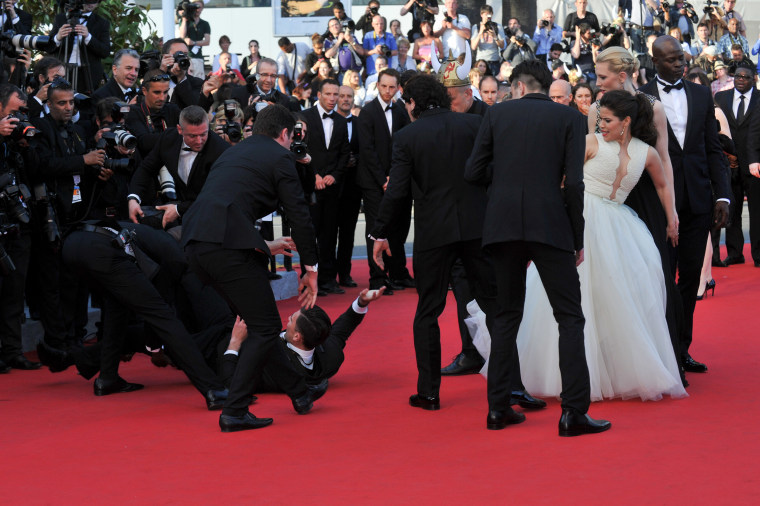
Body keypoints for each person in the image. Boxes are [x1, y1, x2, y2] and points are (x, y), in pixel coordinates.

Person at [465, 60, 610, 436]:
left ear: (517, 86)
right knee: (569, 317)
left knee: (506, 317)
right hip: (551, 225)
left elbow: (473, 172)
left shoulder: (496, 114)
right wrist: (577, 236)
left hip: (503, 226)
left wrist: (508, 182)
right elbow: (575, 185)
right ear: (546, 86)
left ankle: (497, 409)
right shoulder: (569, 119)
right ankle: (573, 413)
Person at [181, 104, 324, 432]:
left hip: (195, 244)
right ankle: (235, 410)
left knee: (262, 322)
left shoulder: (233, 153)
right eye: (292, 138)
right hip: (228, 248)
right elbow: (299, 214)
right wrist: (311, 269)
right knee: (263, 327)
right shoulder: (280, 156)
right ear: (285, 134)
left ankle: (301, 393)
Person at [370, 72, 502, 413]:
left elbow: (396, 191)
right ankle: (508, 389)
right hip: (477, 230)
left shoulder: (407, 137)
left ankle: (429, 393)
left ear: (413, 102)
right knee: (495, 309)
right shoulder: (473, 127)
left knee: (428, 311)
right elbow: (492, 175)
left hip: (434, 234)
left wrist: (380, 233)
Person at [640, 36, 731, 374]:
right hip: (659, 205)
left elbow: (712, 149)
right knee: (662, 279)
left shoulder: (699, 94)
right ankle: (666, 353)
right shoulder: (642, 97)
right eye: (671, 59)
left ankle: (682, 349)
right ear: (656, 62)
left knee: (691, 276)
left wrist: (722, 195)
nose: (679, 64)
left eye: (681, 58)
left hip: (697, 201)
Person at [221, 288, 384, 392]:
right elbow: (343, 328)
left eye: (291, 320)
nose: (288, 318)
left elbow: (232, 381)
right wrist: (361, 302)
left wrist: (234, 343)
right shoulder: (329, 354)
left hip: (221, 346)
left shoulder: (277, 371)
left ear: (298, 336)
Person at [128, 106, 230, 229]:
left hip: (214, 218)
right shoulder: (168, 139)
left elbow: (216, 195)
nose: (199, 141)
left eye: (203, 134)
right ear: (179, 129)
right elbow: (146, 168)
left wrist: (177, 209)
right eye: (192, 136)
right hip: (186, 214)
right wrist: (133, 198)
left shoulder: (222, 151)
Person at [358, 69, 412, 294]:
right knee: (375, 229)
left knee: (398, 228)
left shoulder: (401, 112)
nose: (388, 91)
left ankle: (398, 273)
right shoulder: (367, 112)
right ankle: (377, 278)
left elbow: (402, 147)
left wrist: (394, 178)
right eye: (384, 87)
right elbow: (367, 150)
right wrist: (383, 180)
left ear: (397, 88)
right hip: (373, 182)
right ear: (377, 86)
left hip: (395, 180)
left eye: (392, 87)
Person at [301, 79, 351, 295]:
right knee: (311, 234)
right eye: (329, 94)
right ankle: (311, 279)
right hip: (310, 187)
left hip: (332, 188)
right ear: (318, 95)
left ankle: (328, 279)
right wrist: (315, 175)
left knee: (330, 235)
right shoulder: (305, 117)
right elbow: (300, 149)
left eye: (336, 94)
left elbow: (344, 154)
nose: (333, 98)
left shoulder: (340, 122)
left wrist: (333, 175)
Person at [717, 64, 760, 268]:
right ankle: (735, 253)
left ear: (754, 79)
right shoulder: (722, 98)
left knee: (757, 210)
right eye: (738, 76)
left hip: (755, 164)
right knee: (732, 210)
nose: (741, 79)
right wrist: (727, 155)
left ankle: (758, 254)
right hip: (729, 164)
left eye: (746, 77)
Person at [46, 0, 111, 94]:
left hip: (87, 75)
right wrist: (58, 37)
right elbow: (49, 47)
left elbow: (105, 51)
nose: (90, 3)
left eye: (94, 1)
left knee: (85, 104)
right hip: (62, 71)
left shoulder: (102, 23)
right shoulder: (61, 18)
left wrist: (88, 37)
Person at [126, 70, 181, 159]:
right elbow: (144, 142)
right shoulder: (134, 112)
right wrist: (177, 134)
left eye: (165, 92)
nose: (162, 98)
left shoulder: (172, 109)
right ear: (144, 91)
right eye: (157, 92)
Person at [178, 1, 211, 78]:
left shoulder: (205, 24)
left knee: (199, 80)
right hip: (186, 56)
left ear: (202, 8)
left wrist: (194, 42)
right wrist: (184, 18)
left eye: (199, 7)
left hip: (198, 57)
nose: (197, 9)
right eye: (195, 7)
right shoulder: (186, 21)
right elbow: (182, 35)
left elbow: (207, 41)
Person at [471, 5, 505, 77]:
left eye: (489, 14)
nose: (487, 17)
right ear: (481, 15)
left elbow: (502, 45)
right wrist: (480, 32)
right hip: (480, 61)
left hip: (494, 61)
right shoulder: (476, 27)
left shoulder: (497, 26)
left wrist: (495, 36)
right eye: (485, 14)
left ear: (492, 15)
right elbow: (473, 47)